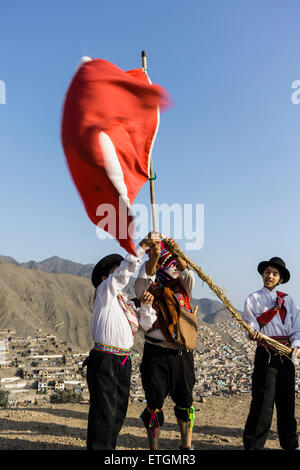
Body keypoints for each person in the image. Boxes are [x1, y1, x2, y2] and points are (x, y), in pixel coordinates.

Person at [85, 234, 156, 450]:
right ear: (107, 276)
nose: (120, 275)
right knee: (103, 414)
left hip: (123, 361)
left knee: (117, 413)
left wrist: (144, 305)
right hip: (105, 359)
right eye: (115, 270)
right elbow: (124, 273)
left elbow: (146, 324)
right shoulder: (105, 292)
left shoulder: (123, 302)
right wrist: (143, 246)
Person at [134, 235, 197, 450]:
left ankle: (186, 446)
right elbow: (145, 322)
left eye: (169, 264)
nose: (168, 269)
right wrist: (156, 254)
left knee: (185, 401)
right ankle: (154, 450)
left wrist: (176, 253)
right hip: (155, 352)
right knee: (153, 404)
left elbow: (187, 273)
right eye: (161, 263)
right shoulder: (145, 286)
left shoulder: (183, 287)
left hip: (181, 353)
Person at [243, 256, 300, 450]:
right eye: (267, 272)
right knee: (263, 402)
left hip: (285, 356)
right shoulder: (253, 299)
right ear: (262, 274)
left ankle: (290, 444)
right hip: (265, 353)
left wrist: (297, 345)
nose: (270, 276)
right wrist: (253, 332)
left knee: (287, 402)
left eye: (275, 274)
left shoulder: (289, 301)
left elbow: (296, 328)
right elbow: (250, 323)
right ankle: (253, 445)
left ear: (280, 279)